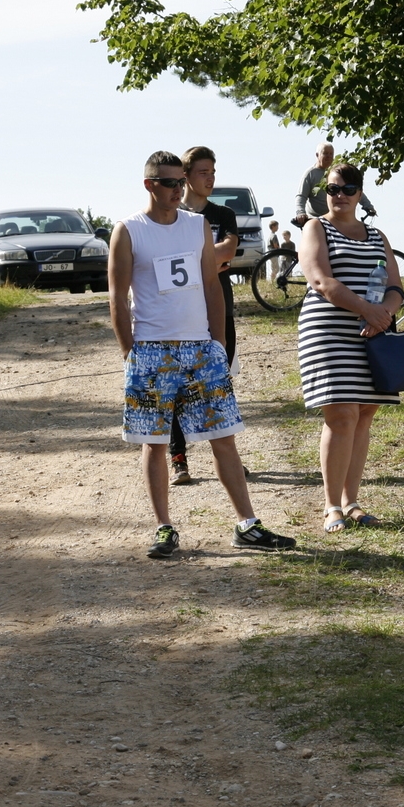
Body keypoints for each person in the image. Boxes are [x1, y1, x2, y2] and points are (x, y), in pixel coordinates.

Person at [108, 150, 296, 558]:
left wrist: (218, 343)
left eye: (181, 182)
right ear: (149, 185)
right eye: (169, 183)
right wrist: (129, 352)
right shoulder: (128, 230)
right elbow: (117, 298)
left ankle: (247, 524)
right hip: (151, 350)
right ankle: (164, 527)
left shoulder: (197, 226)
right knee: (154, 442)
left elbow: (212, 286)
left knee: (223, 438)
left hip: (200, 348)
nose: (178, 190)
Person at [296, 162, 403, 532]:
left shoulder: (377, 236)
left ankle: (351, 500)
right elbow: (320, 280)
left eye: (347, 188)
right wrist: (368, 311)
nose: (339, 195)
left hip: (373, 334)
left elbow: (395, 287)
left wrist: (383, 315)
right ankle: (331, 507)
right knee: (341, 415)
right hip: (329, 332)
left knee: (365, 414)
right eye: (332, 188)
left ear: (360, 193)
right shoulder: (316, 227)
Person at [169, 146, 240, 486]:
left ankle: (225, 459)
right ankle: (178, 457)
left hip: (217, 302)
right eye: (203, 172)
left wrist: (191, 260)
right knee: (177, 381)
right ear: (185, 176)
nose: (210, 178)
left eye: (213, 172)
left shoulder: (223, 214)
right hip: (182, 306)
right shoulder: (172, 214)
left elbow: (229, 251)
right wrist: (210, 261)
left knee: (218, 379)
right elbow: (173, 259)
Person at [293, 142, 376, 225]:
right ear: (317, 155)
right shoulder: (310, 174)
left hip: (337, 219)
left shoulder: (337, 173)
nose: (328, 156)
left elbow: (352, 189)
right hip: (317, 219)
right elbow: (301, 196)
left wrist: (368, 206)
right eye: (325, 153)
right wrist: (300, 213)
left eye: (331, 154)